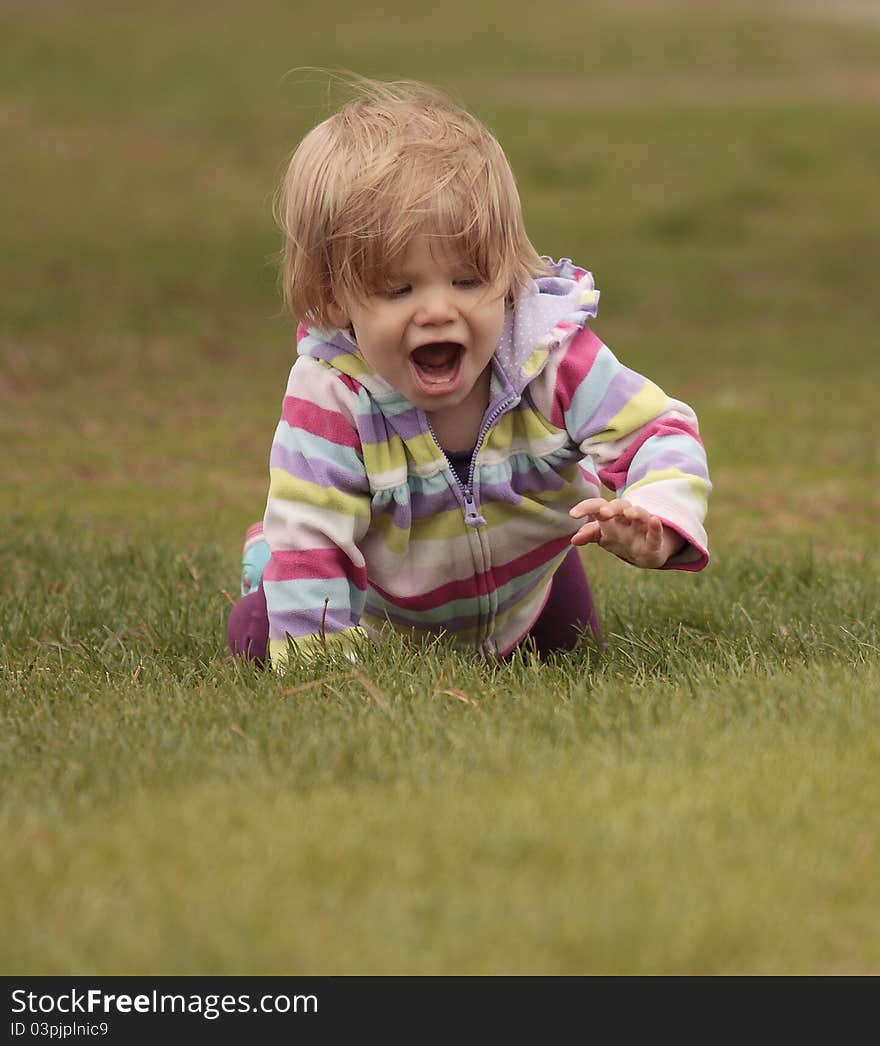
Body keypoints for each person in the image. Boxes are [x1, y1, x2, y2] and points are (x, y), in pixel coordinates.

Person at [228, 78, 711, 669]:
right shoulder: (333, 395)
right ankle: (262, 563)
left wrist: (658, 515)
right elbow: (313, 538)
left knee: (572, 656)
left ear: (505, 276)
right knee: (260, 635)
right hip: (387, 615)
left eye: (467, 280)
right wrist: (323, 668)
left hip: (526, 593)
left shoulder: (549, 361)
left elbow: (660, 431)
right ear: (334, 302)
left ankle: (531, 611)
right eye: (398, 289)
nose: (438, 310)